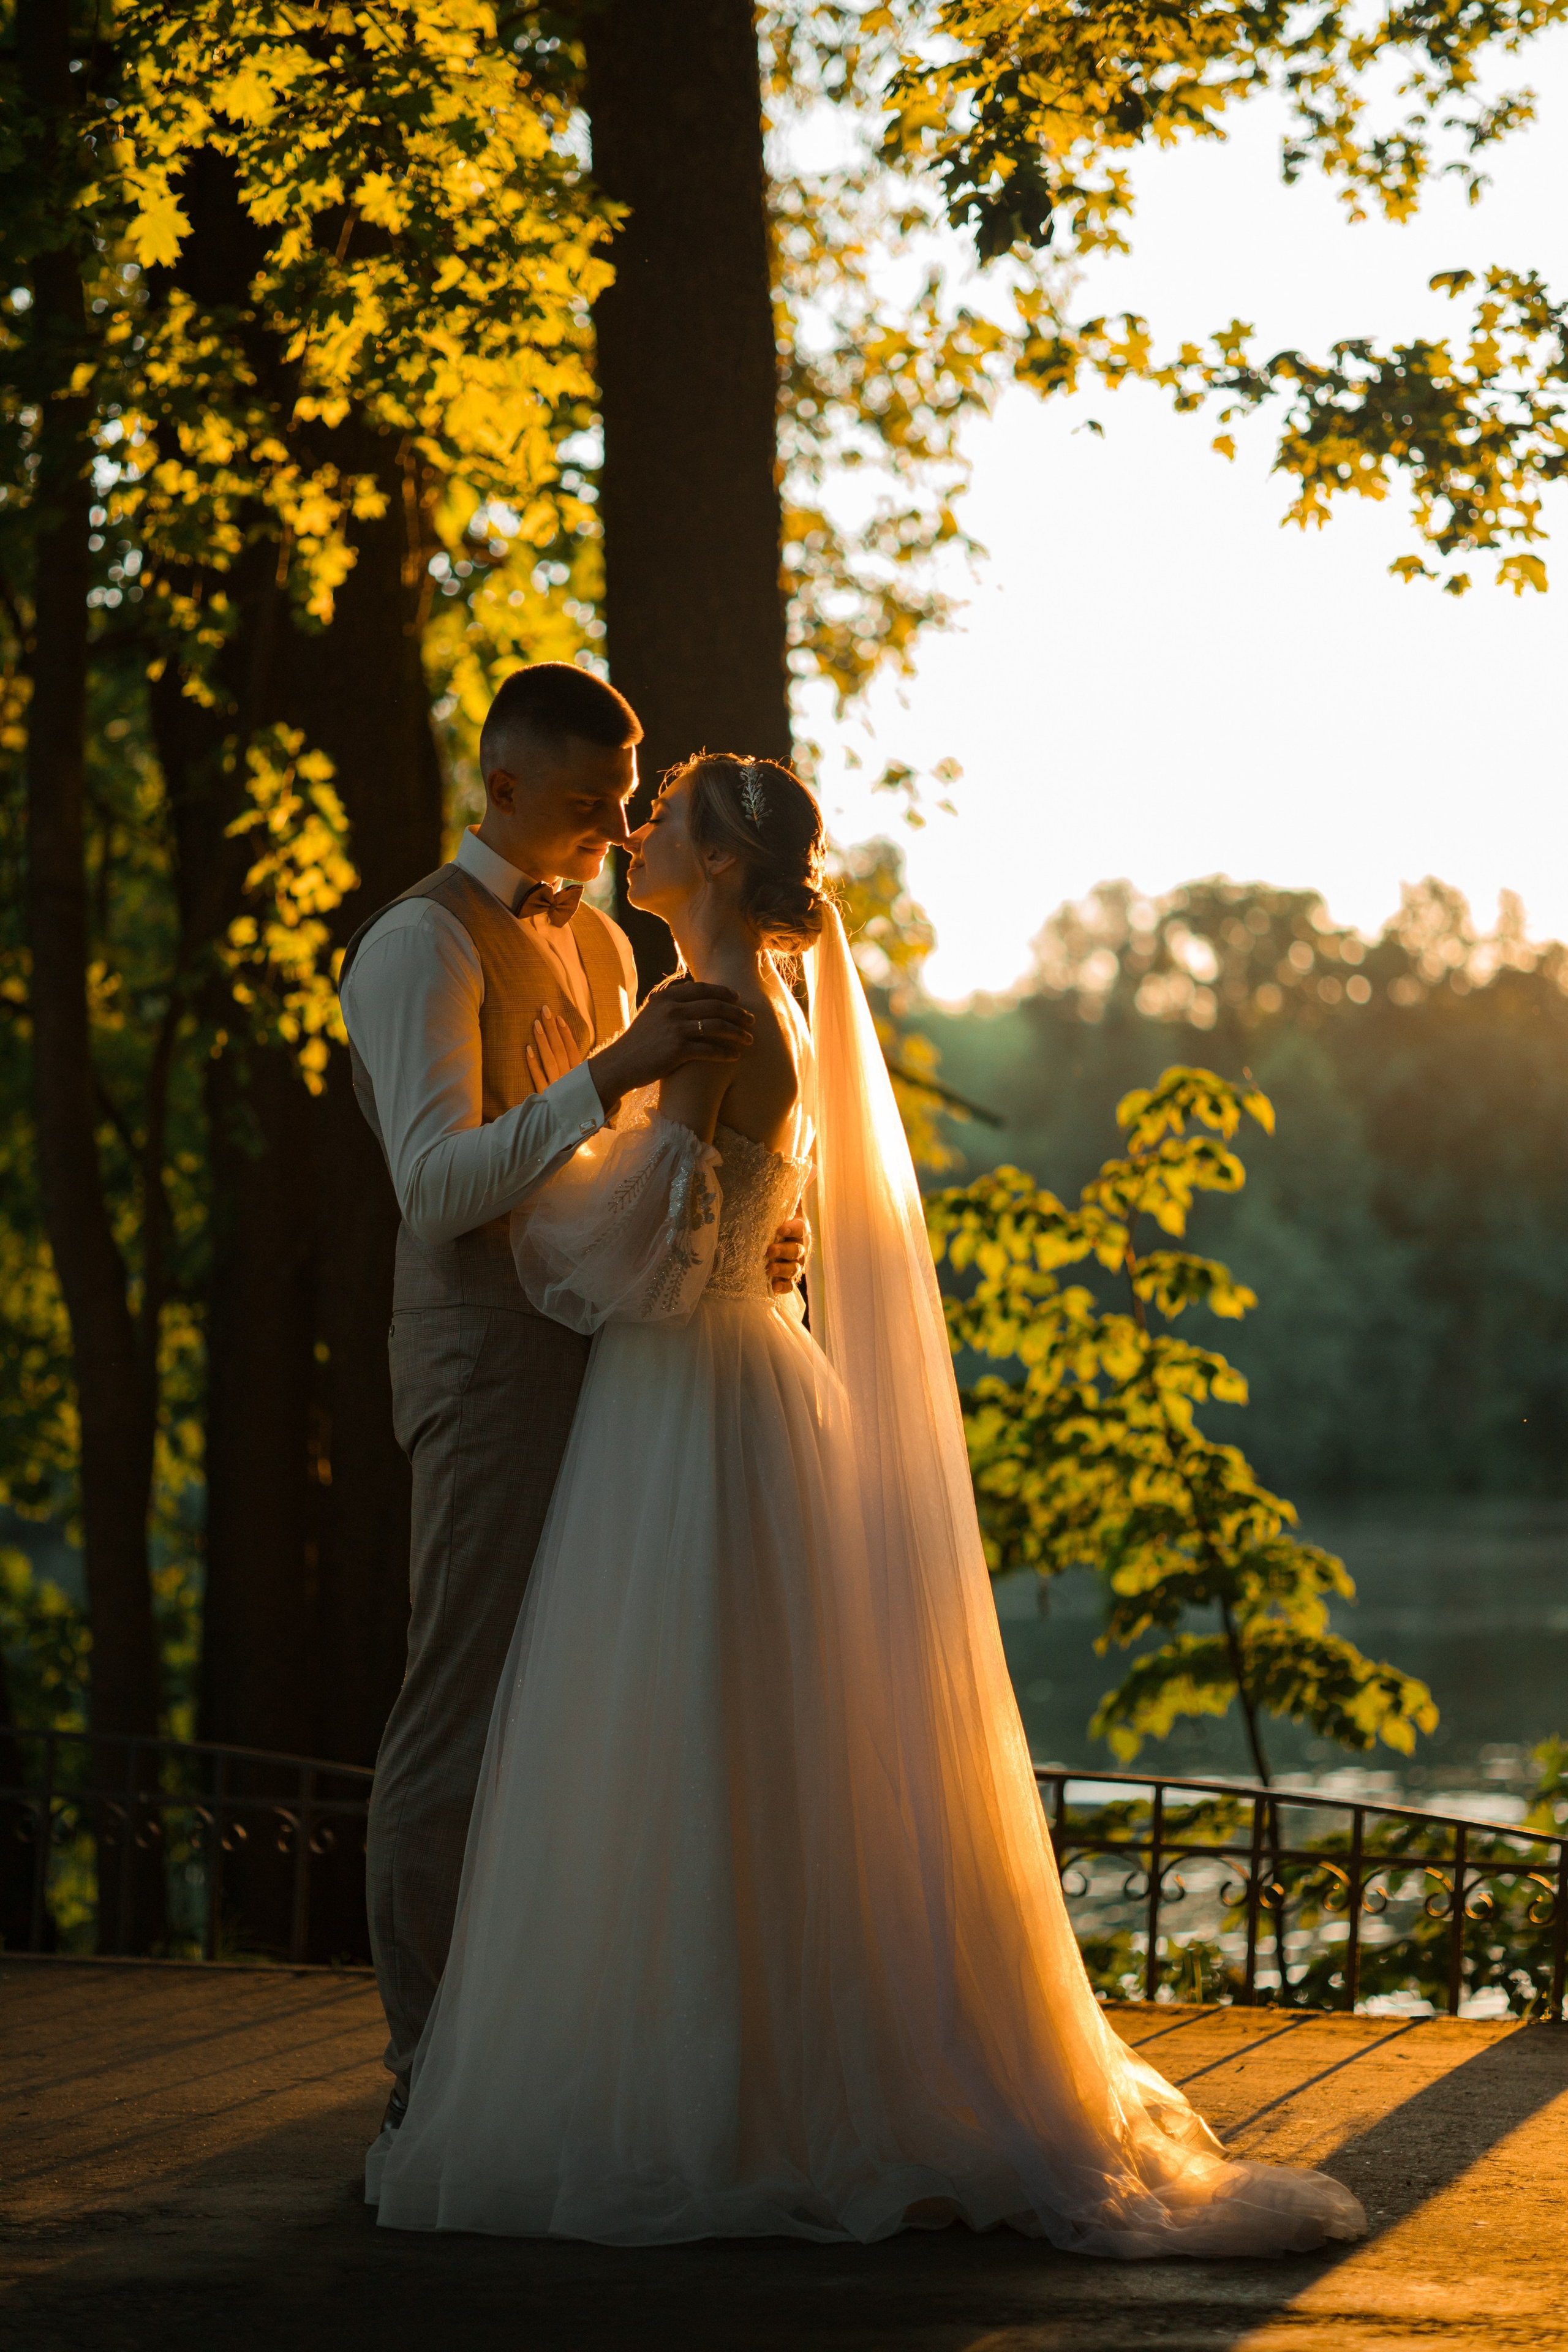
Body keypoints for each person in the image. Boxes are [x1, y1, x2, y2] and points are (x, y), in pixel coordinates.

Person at [368, 752, 1365, 2257]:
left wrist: (591, 1146)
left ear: (709, 868)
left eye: (668, 815)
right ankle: (740, 2067)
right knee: (745, 1741)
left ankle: (707, 2094)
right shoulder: (731, 1005)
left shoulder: (704, 1020)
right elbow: (720, 1214)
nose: (639, 831)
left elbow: (633, 1250)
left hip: (684, 1403)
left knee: (681, 1734)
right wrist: (669, 1170)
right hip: (722, 1387)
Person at [339, 667, 807, 2157]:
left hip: (627, 1365)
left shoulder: (610, 938)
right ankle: (427, 2062)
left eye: (630, 799)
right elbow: (437, 1189)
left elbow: (633, 1161)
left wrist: (740, 1220)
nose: (616, 825)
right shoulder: (421, 943)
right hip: (486, 1362)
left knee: (593, 1715)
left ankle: (564, 2041)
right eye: (591, 801)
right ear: (498, 790)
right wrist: (617, 1066)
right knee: (465, 1705)